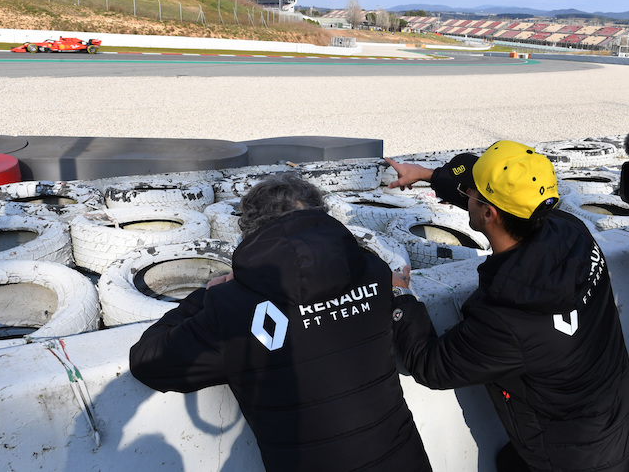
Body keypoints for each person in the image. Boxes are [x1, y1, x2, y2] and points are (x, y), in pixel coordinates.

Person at [129, 173, 431, 472]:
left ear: (249, 229)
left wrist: (205, 296)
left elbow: (148, 362)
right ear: (320, 217)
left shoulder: (231, 306)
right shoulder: (373, 272)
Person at [385, 140, 629, 471]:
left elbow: (430, 364)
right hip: (620, 428)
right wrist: (427, 175)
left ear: (488, 213)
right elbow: (502, 203)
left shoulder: (506, 317)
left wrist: (401, 299)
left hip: (578, 461)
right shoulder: (573, 231)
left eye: (472, 194)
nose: (467, 195)